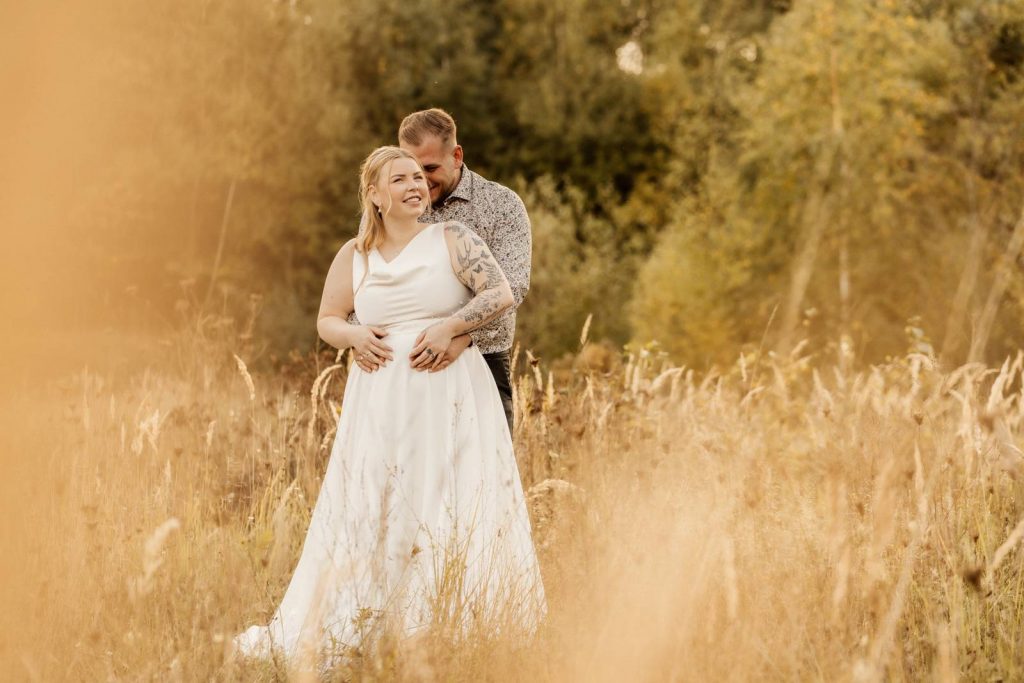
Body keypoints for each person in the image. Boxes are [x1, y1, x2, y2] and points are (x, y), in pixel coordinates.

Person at [231, 146, 545, 668]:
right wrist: (353, 335)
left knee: (452, 499)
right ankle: (370, 624)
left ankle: (453, 626)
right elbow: (328, 318)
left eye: (419, 176)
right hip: (379, 401)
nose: (415, 184)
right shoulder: (354, 255)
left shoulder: (453, 238)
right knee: (379, 503)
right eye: (399, 178)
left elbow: (500, 293)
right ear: (375, 195)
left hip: (449, 394)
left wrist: (451, 326)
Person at [353, 108, 531, 434]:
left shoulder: (502, 204)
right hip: (398, 368)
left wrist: (459, 335)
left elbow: (512, 286)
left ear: (457, 155)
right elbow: (364, 279)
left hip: (483, 360)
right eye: (409, 169)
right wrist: (361, 337)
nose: (419, 181)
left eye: (429, 168)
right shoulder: (387, 208)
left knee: (484, 475)